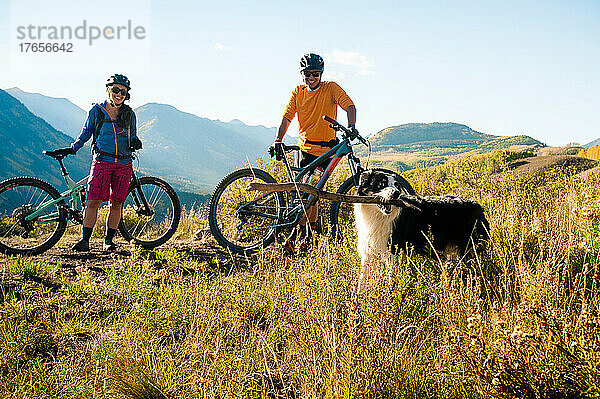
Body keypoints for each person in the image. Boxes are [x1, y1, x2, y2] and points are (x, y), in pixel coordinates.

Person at [274, 53, 357, 252]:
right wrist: (278, 139)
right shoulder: (298, 92)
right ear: (303, 75)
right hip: (304, 149)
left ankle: (304, 236)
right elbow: (287, 118)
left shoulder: (331, 88)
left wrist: (352, 125)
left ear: (321, 74)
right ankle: (303, 235)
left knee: (311, 192)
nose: (312, 78)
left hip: (325, 150)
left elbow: (350, 105)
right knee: (307, 193)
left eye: (316, 74)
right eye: (308, 74)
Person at [56, 74, 142, 251]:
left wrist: (135, 140)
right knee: (93, 202)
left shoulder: (130, 114)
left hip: (124, 164)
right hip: (102, 162)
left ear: (127, 95)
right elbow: (85, 133)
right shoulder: (96, 111)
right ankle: (85, 240)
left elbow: (132, 134)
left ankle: (108, 241)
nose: (119, 94)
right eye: (116, 90)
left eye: (123, 92)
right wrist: (73, 149)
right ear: (108, 90)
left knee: (116, 203)